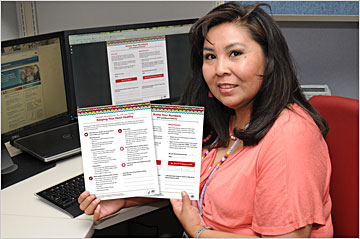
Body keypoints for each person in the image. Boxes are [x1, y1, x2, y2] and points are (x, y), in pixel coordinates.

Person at [78, 2, 333, 238]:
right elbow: (186, 185)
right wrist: (124, 199)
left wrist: (198, 231)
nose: (220, 68)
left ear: (269, 61)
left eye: (235, 53)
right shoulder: (226, 118)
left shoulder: (290, 137)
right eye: (210, 56)